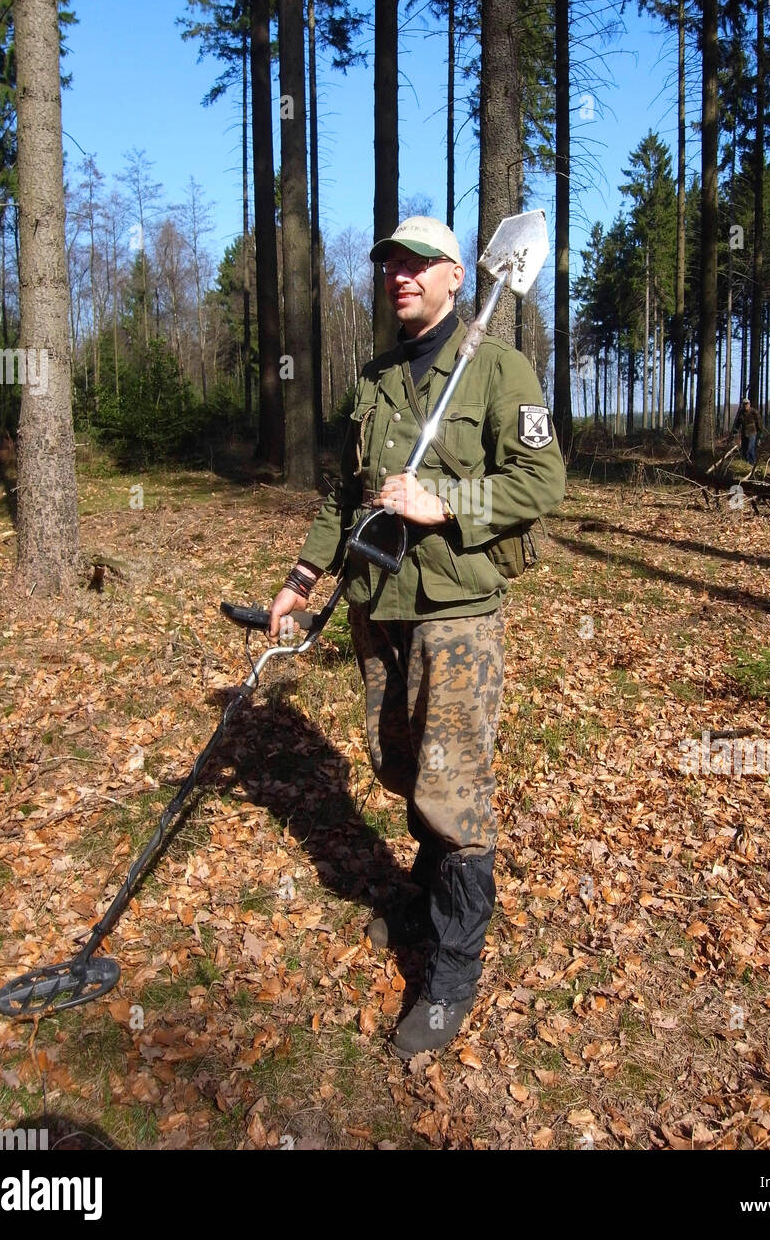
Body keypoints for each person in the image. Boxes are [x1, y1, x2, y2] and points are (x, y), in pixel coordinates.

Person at [267, 215, 566, 1058]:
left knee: (454, 788)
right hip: (377, 604)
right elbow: (342, 495)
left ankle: (452, 971)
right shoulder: (374, 379)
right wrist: (301, 580)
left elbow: (545, 480)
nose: (401, 275)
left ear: (455, 277)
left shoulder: (499, 370)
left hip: (455, 611)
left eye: (419, 263)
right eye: (392, 264)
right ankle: (426, 900)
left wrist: (449, 503)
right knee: (399, 763)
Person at [733, 396, 763, 466]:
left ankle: (752, 464)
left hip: (752, 432)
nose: (745, 405)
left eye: (747, 404)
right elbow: (738, 421)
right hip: (744, 433)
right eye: (744, 404)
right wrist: (736, 428)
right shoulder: (741, 412)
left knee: (750, 449)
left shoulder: (754, 412)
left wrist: (760, 432)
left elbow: (759, 422)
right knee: (744, 449)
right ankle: (745, 464)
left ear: (749, 404)